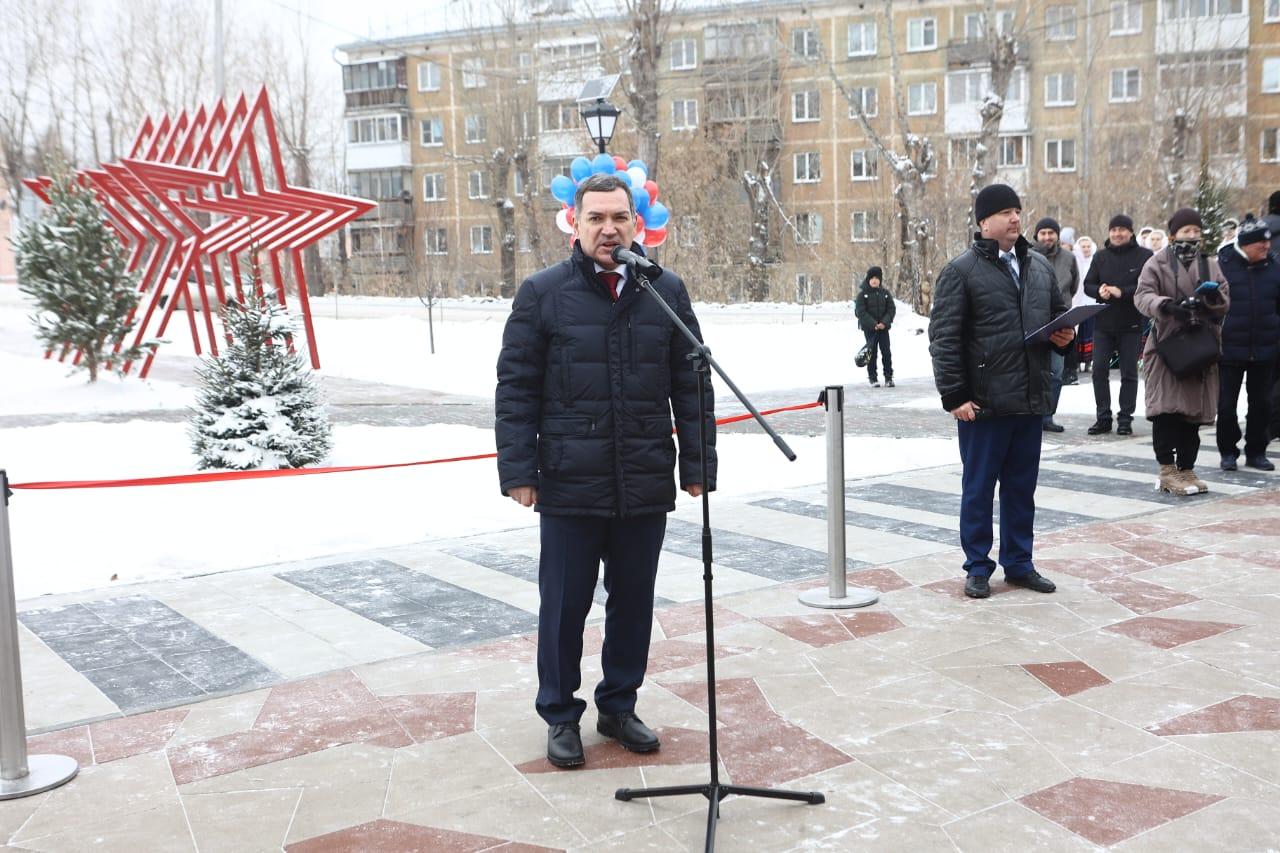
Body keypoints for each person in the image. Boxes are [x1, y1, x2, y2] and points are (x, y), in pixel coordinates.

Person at [495, 172, 714, 768]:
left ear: (636, 223)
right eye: (596, 218)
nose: (609, 228)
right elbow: (515, 387)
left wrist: (697, 464)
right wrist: (519, 469)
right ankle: (560, 714)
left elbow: (692, 383)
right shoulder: (543, 293)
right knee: (564, 605)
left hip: (643, 477)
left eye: (619, 217)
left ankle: (618, 705)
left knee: (634, 603)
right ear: (576, 223)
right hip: (569, 481)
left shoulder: (665, 290)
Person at [929, 183, 1072, 600]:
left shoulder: (1039, 267)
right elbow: (944, 339)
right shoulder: (961, 271)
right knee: (978, 490)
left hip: (1028, 402)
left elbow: (1058, 318)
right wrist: (955, 396)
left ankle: (1019, 563)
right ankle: (977, 566)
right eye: (1005, 212)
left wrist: (1064, 334)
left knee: (1020, 489)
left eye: (1018, 211)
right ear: (983, 222)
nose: (1015, 219)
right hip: (984, 406)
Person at [1134, 207, 1230, 495]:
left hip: (1200, 346)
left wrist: (1212, 298)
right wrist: (1165, 305)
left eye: (1197, 232)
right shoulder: (1157, 262)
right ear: (1174, 234)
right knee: (1166, 410)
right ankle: (1167, 469)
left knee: (1193, 413)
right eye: (1187, 231)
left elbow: (1225, 298)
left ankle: (1187, 469)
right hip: (1167, 347)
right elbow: (1142, 295)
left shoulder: (1209, 264)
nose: (1192, 236)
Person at [1216, 214, 1280, 471]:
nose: (1266, 247)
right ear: (1244, 244)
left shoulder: (1274, 267)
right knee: (1227, 404)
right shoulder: (1223, 264)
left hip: (1265, 346)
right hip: (1230, 346)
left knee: (1262, 403)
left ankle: (1256, 451)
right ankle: (1228, 452)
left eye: (1267, 243)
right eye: (1260, 244)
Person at [1083, 214, 1153, 437]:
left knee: (1129, 373)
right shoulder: (1101, 256)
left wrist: (1122, 292)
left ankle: (1125, 418)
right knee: (1099, 370)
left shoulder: (1144, 255)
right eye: (1114, 230)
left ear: (1131, 232)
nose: (1117, 233)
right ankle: (1103, 417)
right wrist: (1099, 291)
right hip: (1103, 322)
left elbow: (1146, 286)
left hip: (1131, 323)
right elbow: (1088, 284)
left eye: (1122, 229)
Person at [1032, 217, 1080, 432]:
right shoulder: (1027, 256)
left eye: (1051, 233)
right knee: (1033, 371)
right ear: (1036, 236)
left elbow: (1074, 285)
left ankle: (1047, 416)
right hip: (1033, 320)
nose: (1047, 237)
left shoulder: (1069, 258)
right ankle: (1032, 415)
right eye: (1043, 233)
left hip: (1059, 323)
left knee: (1056, 372)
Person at [855, 265, 896, 387]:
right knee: (871, 354)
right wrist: (874, 324)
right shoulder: (862, 295)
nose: (874, 280)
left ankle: (888, 377)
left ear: (880, 280)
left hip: (883, 329)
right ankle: (873, 378)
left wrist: (884, 323)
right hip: (870, 330)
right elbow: (861, 312)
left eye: (877, 278)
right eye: (872, 278)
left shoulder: (885, 294)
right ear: (868, 279)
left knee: (886, 352)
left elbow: (891, 309)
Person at [1068, 236, 1099, 384]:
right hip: (1079, 302)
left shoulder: (1096, 261)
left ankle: (1089, 361)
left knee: (1091, 333)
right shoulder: (1076, 261)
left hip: (1092, 302)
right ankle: (1078, 362)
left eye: (1088, 246)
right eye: (1083, 247)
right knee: (1079, 334)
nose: (1086, 249)